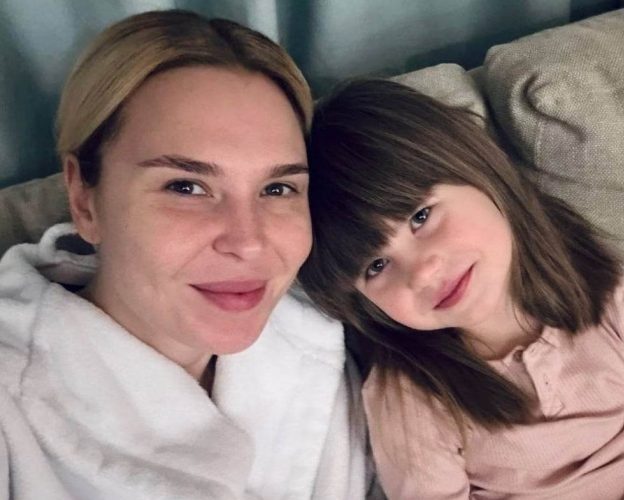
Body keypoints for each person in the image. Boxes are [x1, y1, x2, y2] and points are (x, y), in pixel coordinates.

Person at [0, 10, 371, 499]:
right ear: (84, 199)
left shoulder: (331, 340)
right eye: (186, 187)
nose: (249, 241)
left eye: (277, 188)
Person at [299, 79, 624, 499]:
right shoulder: (411, 399)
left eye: (420, 217)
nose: (423, 273)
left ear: (476, 170)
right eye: (376, 266)